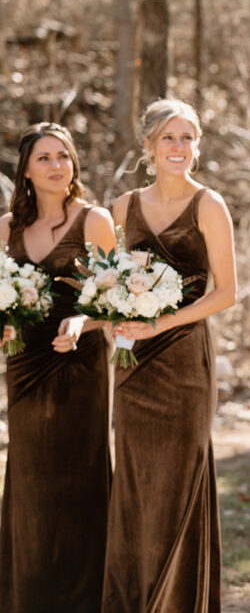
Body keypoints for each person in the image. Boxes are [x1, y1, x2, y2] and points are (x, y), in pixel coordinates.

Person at [102, 99, 236, 613]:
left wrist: (163, 321)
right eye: (168, 138)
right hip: (132, 364)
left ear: (196, 146)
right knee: (135, 483)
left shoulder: (209, 205)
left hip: (184, 363)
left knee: (180, 481)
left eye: (187, 137)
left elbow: (226, 292)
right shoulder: (121, 209)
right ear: (148, 147)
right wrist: (113, 319)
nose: (178, 147)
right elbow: (106, 283)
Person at [0, 122, 116, 613]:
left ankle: (86, 599)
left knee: (81, 475)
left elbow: (117, 299)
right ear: (25, 169)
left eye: (63, 156)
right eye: (44, 157)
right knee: (29, 477)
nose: (56, 166)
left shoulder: (94, 219)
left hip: (80, 364)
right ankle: (29, 597)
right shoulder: (7, 228)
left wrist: (83, 321)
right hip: (25, 366)